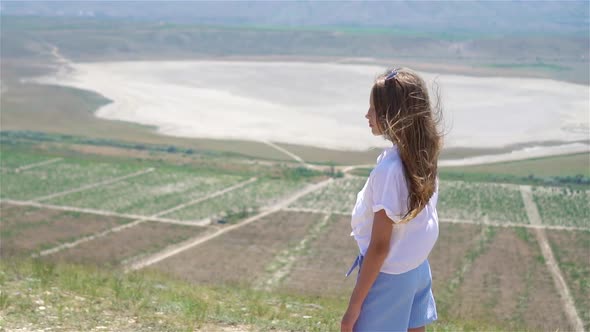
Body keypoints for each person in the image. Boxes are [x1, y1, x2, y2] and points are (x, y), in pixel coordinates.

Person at [341, 67, 443, 332]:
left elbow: (379, 247)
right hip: (417, 267)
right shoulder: (422, 156)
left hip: (389, 277)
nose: (367, 115)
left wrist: (354, 307)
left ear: (392, 115)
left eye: (373, 109)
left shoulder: (391, 171)